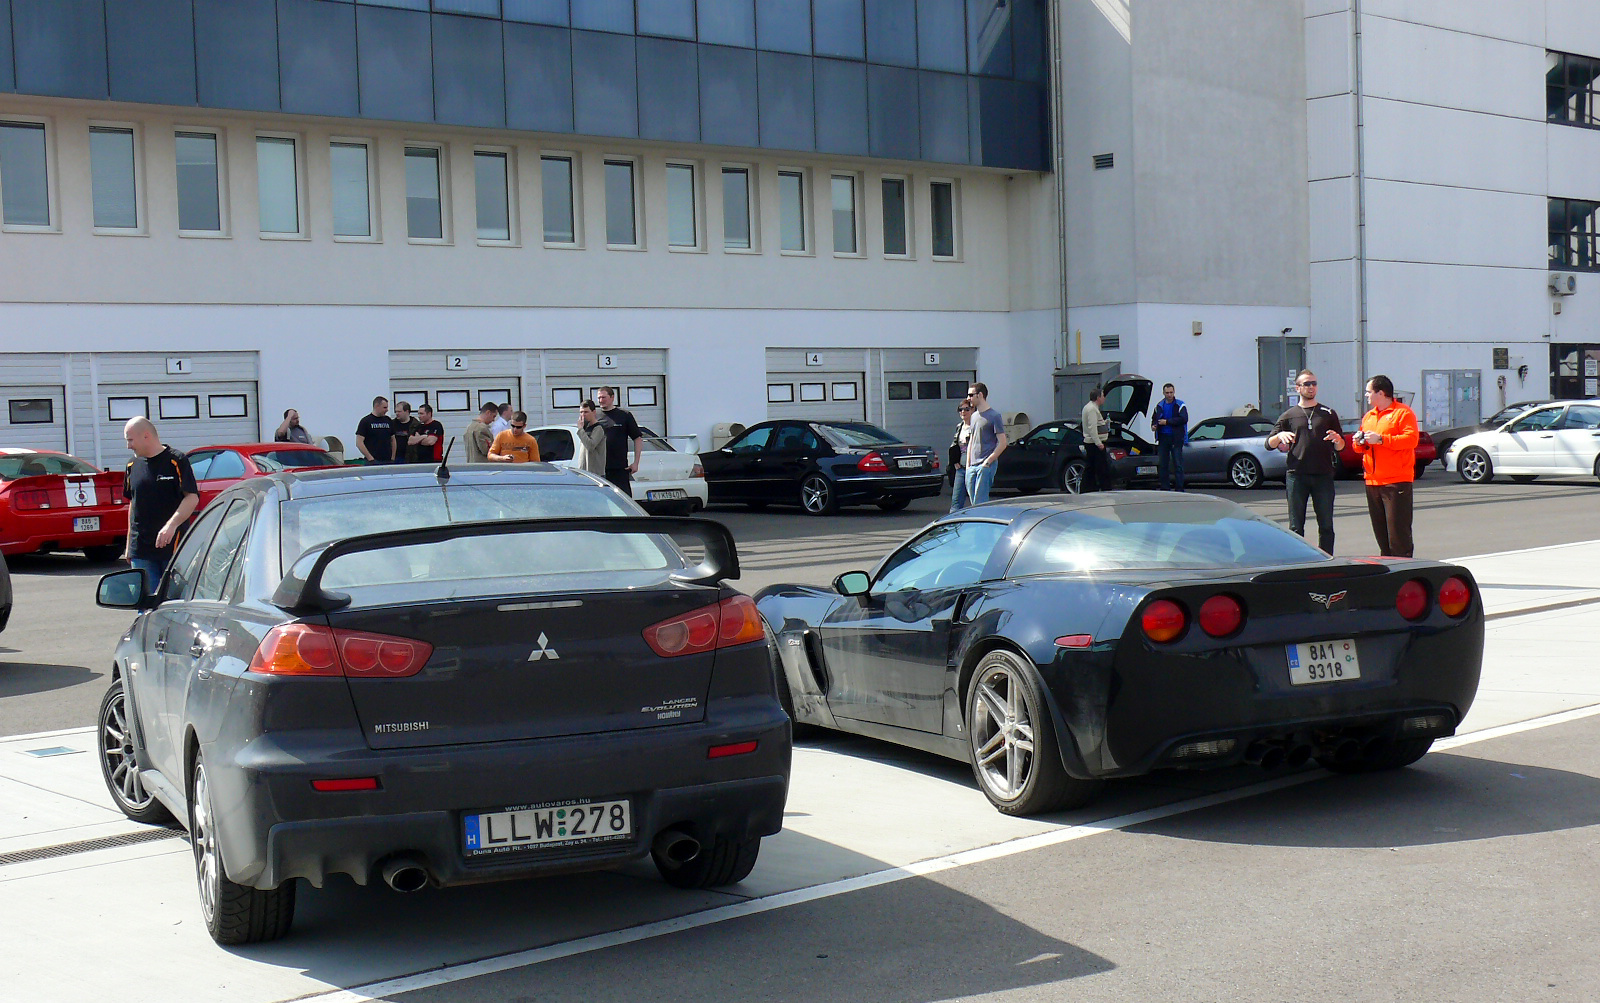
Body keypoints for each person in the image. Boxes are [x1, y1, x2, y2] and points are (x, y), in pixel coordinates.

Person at [1268, 370, 1344, 553]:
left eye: (1314, 383)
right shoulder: (1289, 415)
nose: (1311, 387)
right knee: (1296, 526)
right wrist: (1279, 435)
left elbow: (1341, 446)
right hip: (1297, 475)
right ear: (1298, 388)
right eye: (1307, 384)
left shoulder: (1327, 413)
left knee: (1326, 524)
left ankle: (1326, 558)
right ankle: (1298, 559)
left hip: (1323, 475)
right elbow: (1269, 444)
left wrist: (1338, 440)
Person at [120, 417, 199, 594]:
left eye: (130, 440)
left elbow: (192, 498)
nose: (128, 446)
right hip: (141, 550)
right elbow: (133, 503)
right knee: (146, 605)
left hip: (172, 549)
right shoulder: (132, 465)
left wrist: (171, 526)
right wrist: (128, 544)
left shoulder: (176, 461)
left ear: (146, 436)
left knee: (173, 603)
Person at [1352, 375, 1419, 558]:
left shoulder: (1403, 413)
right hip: (1373, 481)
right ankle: (1388, 566)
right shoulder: (1369, 416)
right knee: (1381, 533)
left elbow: (1411, 440)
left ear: (1380, 393)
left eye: (1368, 392)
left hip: (1396, 481)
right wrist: (1359, 442)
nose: (1366, 395)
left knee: (1398, 533)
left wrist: (1381, 439)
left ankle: (1404, 571)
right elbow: (1362, 448)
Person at [963, 382, 1008, 506]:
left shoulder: (994, 416)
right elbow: (972, 439)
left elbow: (1003, 443)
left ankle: (982, 525)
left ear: (980, 395)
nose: (968, 398)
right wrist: (968, 465)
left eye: (971, 395)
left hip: (985, 466)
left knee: (980, 504)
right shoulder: (974, 416)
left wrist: (987, 463)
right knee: (973, 504)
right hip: (972, 466)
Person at [596, 386, 643, 493]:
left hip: (619, 468)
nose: (601, 400)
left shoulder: (624, 415)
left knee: (623, 500)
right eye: (599, 398)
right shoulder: (595, 416)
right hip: (600, 468)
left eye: (604, 397)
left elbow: (637, 439)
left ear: (612, 397)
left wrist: (636, 463)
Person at [1152, 383, 1188, 491]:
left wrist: (1167, 422)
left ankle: (1180, 488)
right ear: (1163, 393)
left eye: (1171, 392)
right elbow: (1154, 418)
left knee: (1178, 463)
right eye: (1167, 393)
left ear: (1174, 392)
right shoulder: (1159, 405)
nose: (1169, 395)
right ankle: (1165, 487)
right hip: (1163, 437)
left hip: (1176, 437)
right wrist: (1154, 425)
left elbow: (1183, 419)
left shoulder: (1180, 404)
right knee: (1163, 464)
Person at [1080, 387, 1112, 492]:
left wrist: (1105, 423)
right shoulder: (1092, 409)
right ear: (1098, 397)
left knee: (1091, 467)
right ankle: (1104, 488)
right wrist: (1098, 443)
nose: (1104, 398)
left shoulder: (1090, 408)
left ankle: (1088, 488)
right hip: (1094, 444)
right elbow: (1092, 427)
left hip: (1092, 443)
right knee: (1101, 468)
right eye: (1103, 396)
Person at [948, 401, 974, 511]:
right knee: (956, 501)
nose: (963, 412)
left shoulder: (976, 426)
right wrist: (955, 461)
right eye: (961, 409)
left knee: (976, 501)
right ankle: (953, 526)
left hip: (973, 468)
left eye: (967, 409)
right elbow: (955, 446)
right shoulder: (960, 426)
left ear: (972, 410)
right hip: (961, 469)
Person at [354, 397, 395, 464]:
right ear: (376, 406)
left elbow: (393, 440)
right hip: (372, 461)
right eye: (384, 407)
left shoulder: (388, 420)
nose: (387, 410)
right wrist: (370, 459)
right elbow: (359, 443)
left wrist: (393, 457)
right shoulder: (366, 421)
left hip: (388, 460)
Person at [576, 399, 608, 475]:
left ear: (593, 412)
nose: (583, 415)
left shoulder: (598, 428)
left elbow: (590, 445)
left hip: (595, 475)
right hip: (584, 473)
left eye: (586, 412)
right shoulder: (585, 428)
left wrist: (580, 429)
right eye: (581, 412)